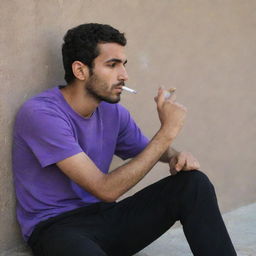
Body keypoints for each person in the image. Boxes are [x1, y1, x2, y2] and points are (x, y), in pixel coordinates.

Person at [12, 23, 237, 256]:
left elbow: (149, 150)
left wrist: (175, 155)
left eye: (124, 65)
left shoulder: (112, 111)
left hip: (106, 217)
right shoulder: (41, 114)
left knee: (193, 184)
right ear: (80, 71)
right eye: (112, 65)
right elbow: (105, 189)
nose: (124, 75)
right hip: (56, 228)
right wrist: (167, 131)